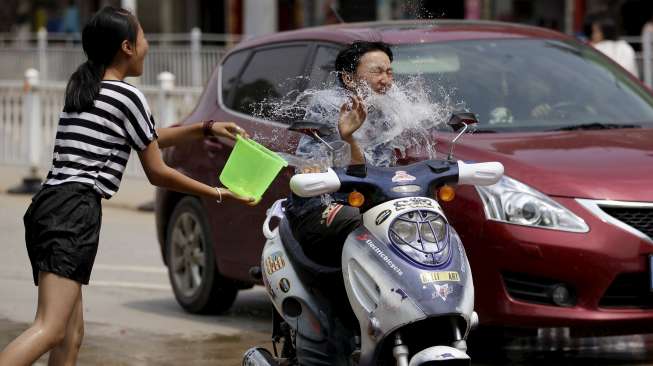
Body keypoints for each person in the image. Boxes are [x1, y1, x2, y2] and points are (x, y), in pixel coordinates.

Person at [0, 7, 253, 366]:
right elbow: (157, 171)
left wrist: (205, 128)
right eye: (143, 37)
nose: (147, 44)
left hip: (50, 205)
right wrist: (215, 192)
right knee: (52, 328)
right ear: (127, 47)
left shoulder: (86, 88)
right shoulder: (126, 96)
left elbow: (146, 138)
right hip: (72, 211)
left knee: (71, 336)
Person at [285, 41, 395, 268]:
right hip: (320, 206)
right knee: (361, 219)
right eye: (377, 72)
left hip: (364, 200)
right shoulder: (328, 104)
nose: (385, 80)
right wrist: (349, 139)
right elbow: (310, 166)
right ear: (348, 79)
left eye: (389, 71)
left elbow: (379, 173)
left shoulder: (387, 113)